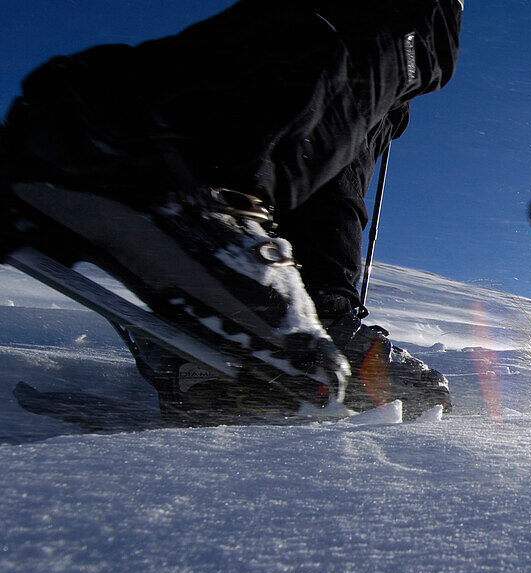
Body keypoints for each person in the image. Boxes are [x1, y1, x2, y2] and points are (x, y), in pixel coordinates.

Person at [0, 0, 463, 424]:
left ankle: (307, 302)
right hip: (161, 157)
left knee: (378, 107)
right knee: (411, 20)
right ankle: (158, 158)